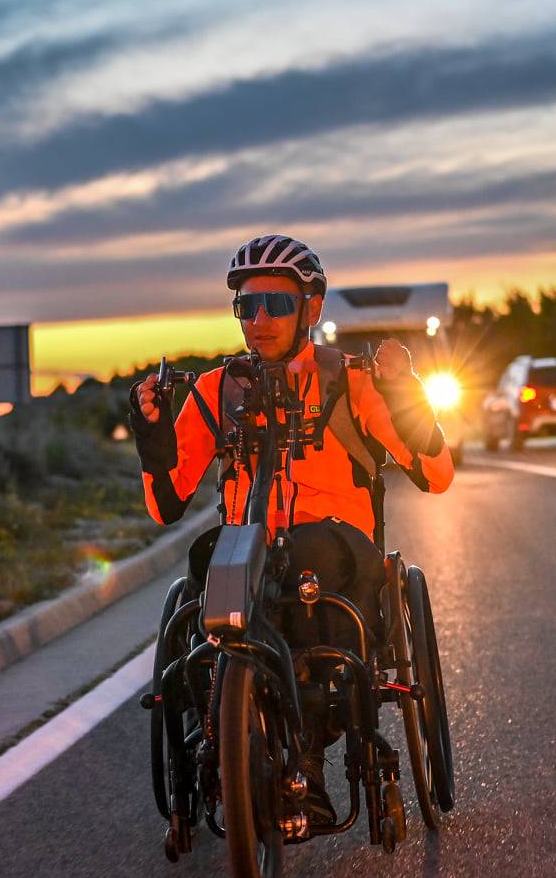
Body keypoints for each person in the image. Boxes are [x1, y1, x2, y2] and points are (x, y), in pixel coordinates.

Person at [129, 234, 455, 819]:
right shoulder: (215, 391)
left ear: (311, 308)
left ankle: (305, 761)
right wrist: (152, 440)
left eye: (275, 305)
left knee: (306, 560)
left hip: (334, 549)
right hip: (245, 546)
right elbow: (166, 505)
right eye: (246, 306)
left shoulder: (354, 382)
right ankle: (223, 729)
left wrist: (406, 398)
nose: (259, 320)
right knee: (208, 559)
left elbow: (435, 473)